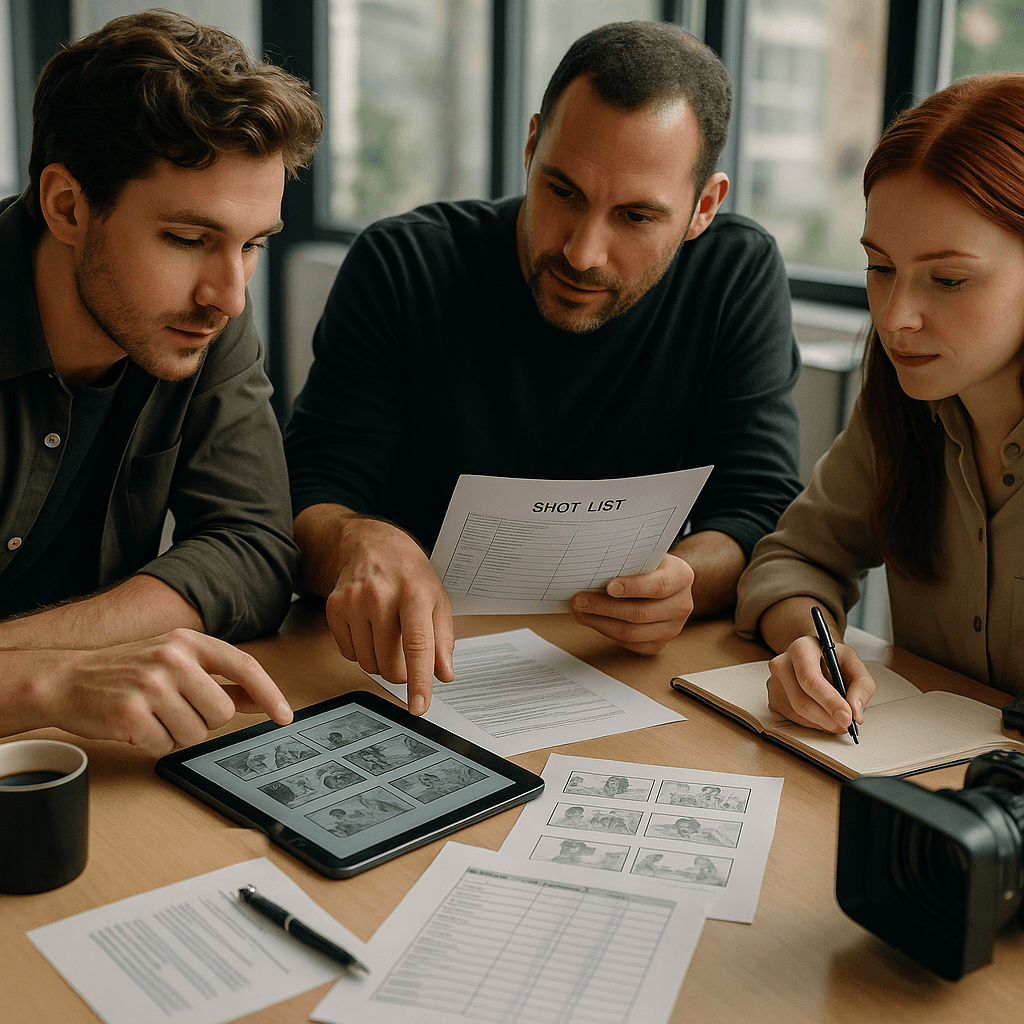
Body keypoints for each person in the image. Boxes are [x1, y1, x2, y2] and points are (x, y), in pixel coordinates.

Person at [285, 20, 802, 715]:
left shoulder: (736, 274)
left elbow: (759, 503)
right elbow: (305, 495)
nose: (584, 251)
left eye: (636, 216)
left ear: (704, 206)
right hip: (404, 676)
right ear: (531, 144)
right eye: (561, 191)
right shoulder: (404, 266)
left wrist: (687, 576)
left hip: (619, 673)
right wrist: (355, 539)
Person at [0, 11, 323, 755]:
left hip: (87, 753)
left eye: (251, 246)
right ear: (67, 206)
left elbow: (254, 549)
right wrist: (45, 681)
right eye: (187, 239)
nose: (229, 295)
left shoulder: (203, 320)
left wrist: (64, 658)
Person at [735, 72, 1024, 733]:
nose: (895, 319)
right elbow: (796, 557)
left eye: (947, 280)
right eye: (880, 268)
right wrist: (810, 645)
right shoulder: (902, 406)